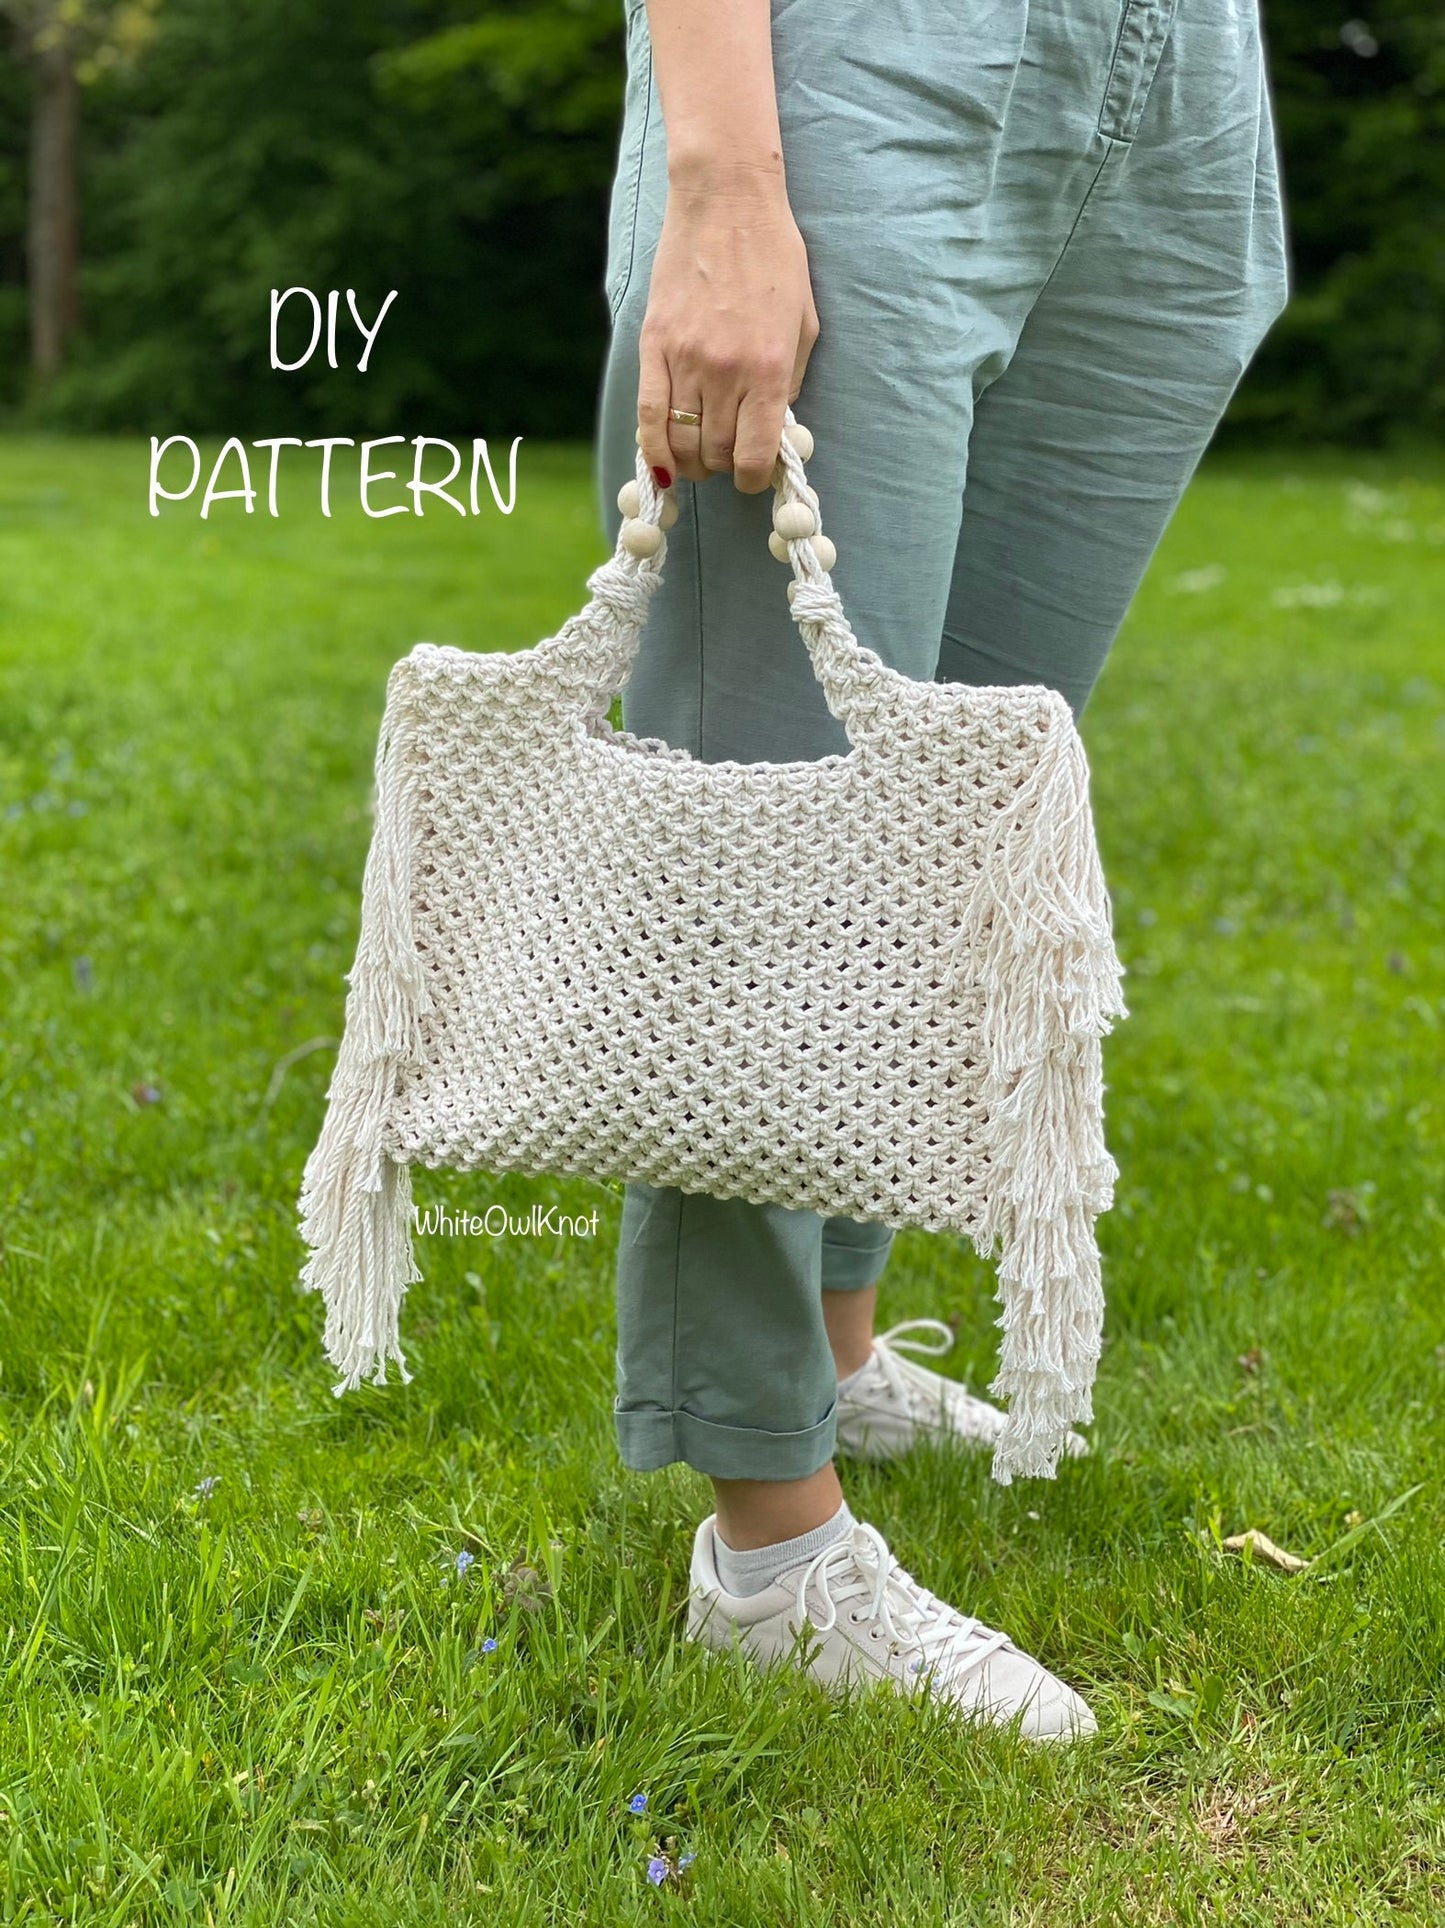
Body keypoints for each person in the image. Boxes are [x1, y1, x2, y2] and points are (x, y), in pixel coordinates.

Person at [592, 0, 1288, 1741]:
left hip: (1172, 73)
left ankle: (837, 1342)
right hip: (855, 60)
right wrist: (727, 176)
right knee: (772, 812)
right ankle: (768, 1544)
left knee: (954, 801)